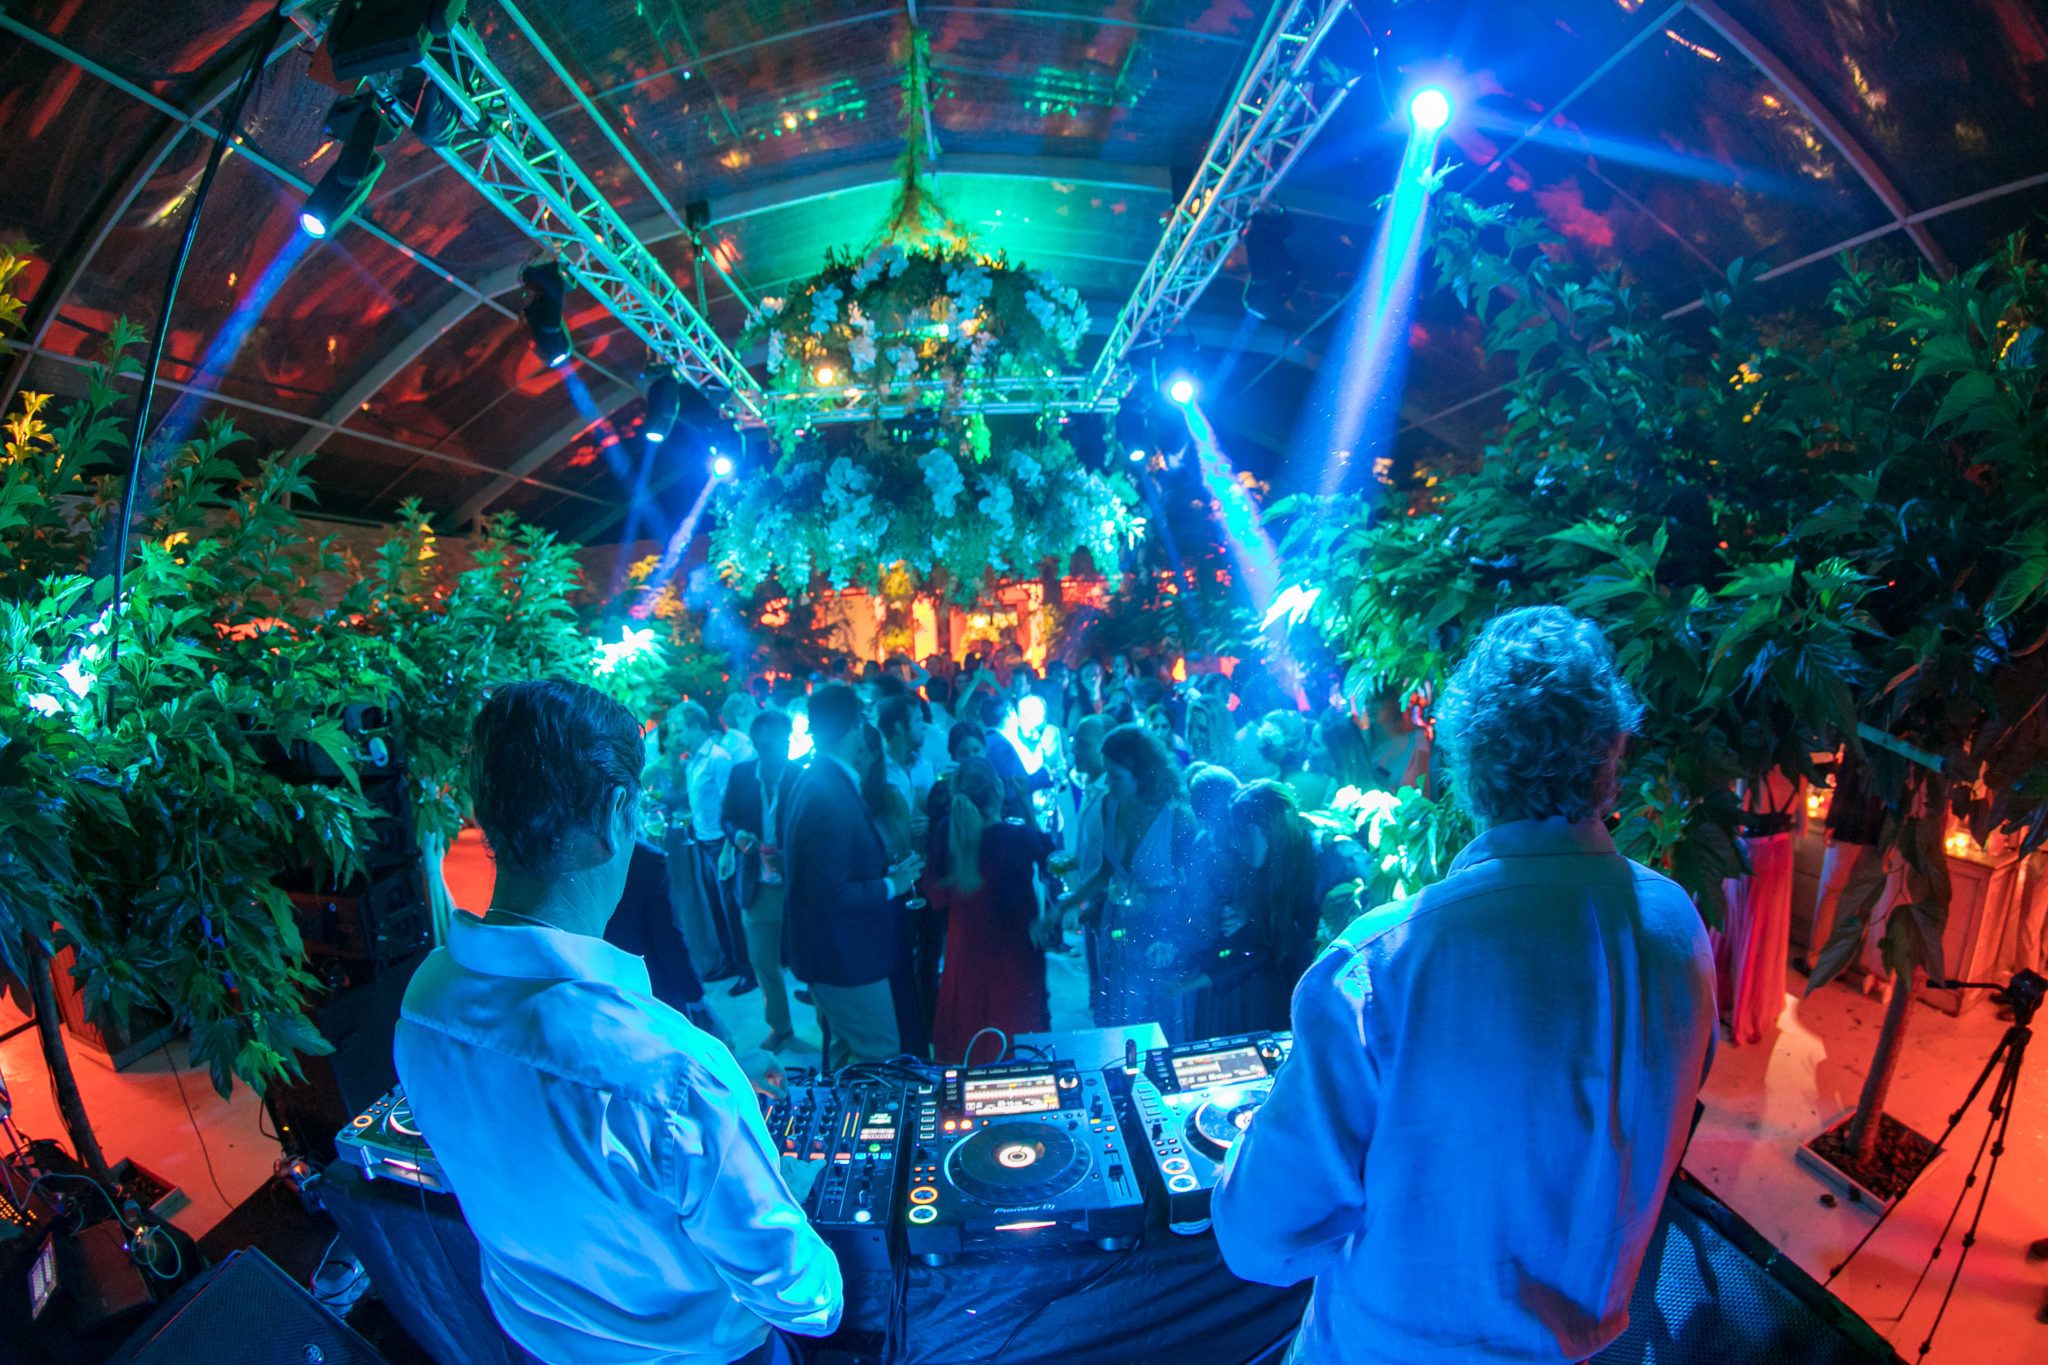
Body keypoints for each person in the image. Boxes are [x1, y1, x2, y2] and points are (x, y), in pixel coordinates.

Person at [1213, 606, 1716, 1365]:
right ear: (1614, 750)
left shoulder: (1383, 964)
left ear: (1464, 761)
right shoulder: (1678, 926)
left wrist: (1248, 1146)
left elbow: (1260, 1238)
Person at [396, 680, 841, 1364]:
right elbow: (805, 1301)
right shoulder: (675, 1075)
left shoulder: (424, 1001)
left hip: (529, 1346)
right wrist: (783, 1181)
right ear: (614, 813)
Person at [782, 683, 922, 1067]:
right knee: (880, 1055)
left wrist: (883, 872)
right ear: (856, 726)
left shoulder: (817, 778)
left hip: (831, 955)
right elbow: (830, 894)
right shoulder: (826, 792)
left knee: (846, 1054)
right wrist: (892, 885)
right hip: (845, 959)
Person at [1058, 723, 1204, 1042]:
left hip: (1161, 931)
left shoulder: (1177, 817)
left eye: (1116, 777)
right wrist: (1066, 904)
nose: (1108, 784)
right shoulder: (1111, 804)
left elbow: (1195, 889)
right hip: (1119, 925)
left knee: (1158, 1019)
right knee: (1121, 1015)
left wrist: (1178, 940)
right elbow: (1105, 871)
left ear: (1142, 774)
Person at [928, 758, 1060, 1063]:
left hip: (965, 952)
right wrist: (1026, 802)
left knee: (968, 1035)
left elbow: (935, 896)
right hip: (1014, 955)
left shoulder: (946, 831)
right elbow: (1052, 858)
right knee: (1016, 1039)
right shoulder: (1017, 837)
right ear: (999, 790)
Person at [1183, 782, 1321, 1037]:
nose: (1236, 844)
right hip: (1293, 989)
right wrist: (1250, 917)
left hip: (1315, 993)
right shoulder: (1270, 865)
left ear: (1266, 828)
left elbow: (1306, 937)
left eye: (1242, 832)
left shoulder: (1322, 860)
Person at [722, 709, 803, 1053]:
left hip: (796, 883)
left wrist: (791, 855)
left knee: (809, 957)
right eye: (770, 745)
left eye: (784, 743)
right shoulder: (741, 775)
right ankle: (780, 1027)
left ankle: (829, 1022)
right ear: (756, 744)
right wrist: (738, 836)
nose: (779, 751)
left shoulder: (800, 777)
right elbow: (726, 818)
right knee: (763, 961)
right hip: (757, 883)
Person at [658, 701, 751, 991]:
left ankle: (748, 968)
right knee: (717, 907)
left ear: (696, 726)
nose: (678, 736)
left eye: (681, 730)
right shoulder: (694, 760)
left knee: (731, 908)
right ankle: (731, 960)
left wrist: (728, 849)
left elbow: (731, 806)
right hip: (703, 840)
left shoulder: (718, 758)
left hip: (721, 842)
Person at [1368, 685, 1432, 793]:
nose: (1370, 708)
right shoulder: (1380, 753)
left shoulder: (1421, 740)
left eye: (1378, 704)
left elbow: (1420, 787)